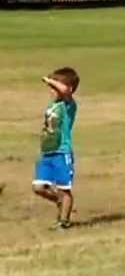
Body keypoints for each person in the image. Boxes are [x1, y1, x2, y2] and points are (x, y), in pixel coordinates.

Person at [32, 68, 79, 230]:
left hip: (62, 152)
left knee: (64, 188)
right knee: (38, 187)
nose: (51, 91)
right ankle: (60, 201)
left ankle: (63, 222)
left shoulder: (68, 105)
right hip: (47, 153)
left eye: (55, 87)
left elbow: (65, 91)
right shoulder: (54, 105)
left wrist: (48, 80)